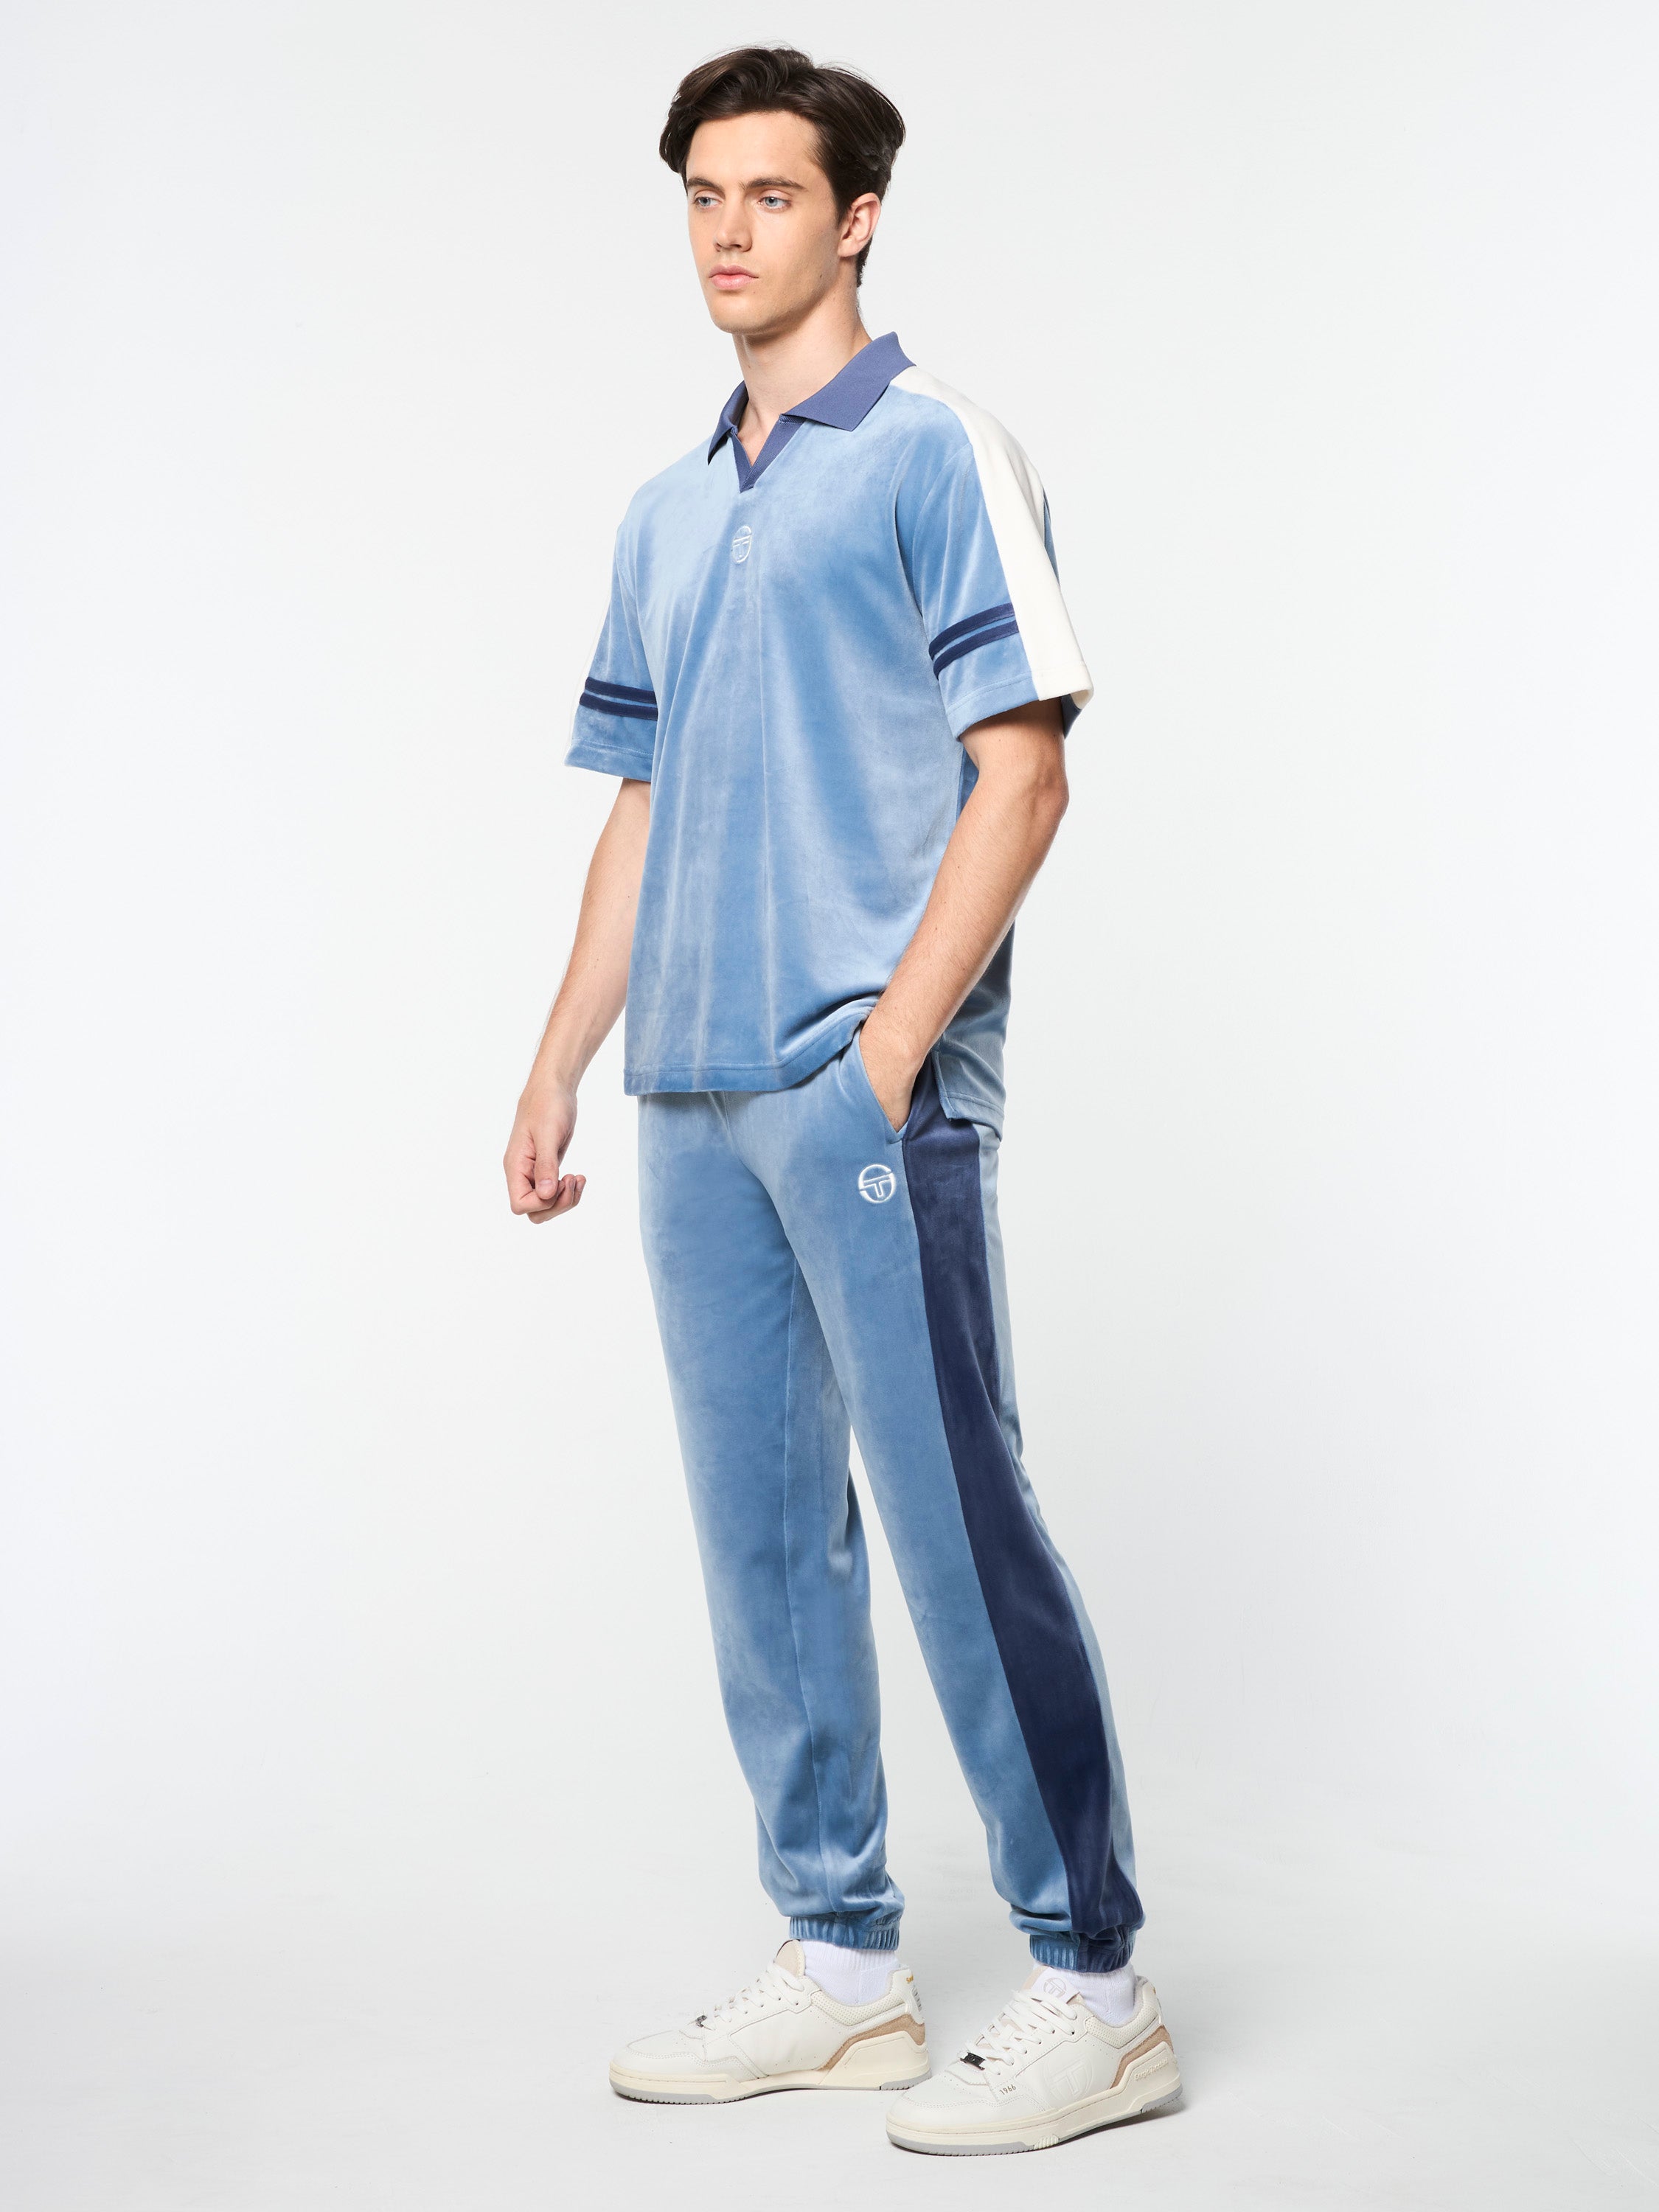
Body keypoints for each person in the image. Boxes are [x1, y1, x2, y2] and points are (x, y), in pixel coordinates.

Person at [504, 45, 1180, 2156]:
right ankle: (842, 1965)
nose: (728, 231)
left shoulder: (936, 450)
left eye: (771, 194)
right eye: (702, 195)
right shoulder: (665, 507)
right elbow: (639, 814)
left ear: (856, 216)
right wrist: (557, 1057)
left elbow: (1024, 772)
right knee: (764, 1548)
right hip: (690, 1095)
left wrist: (887, 1058)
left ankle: (1098, 1992)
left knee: (961, 1528)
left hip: (861, 1094)